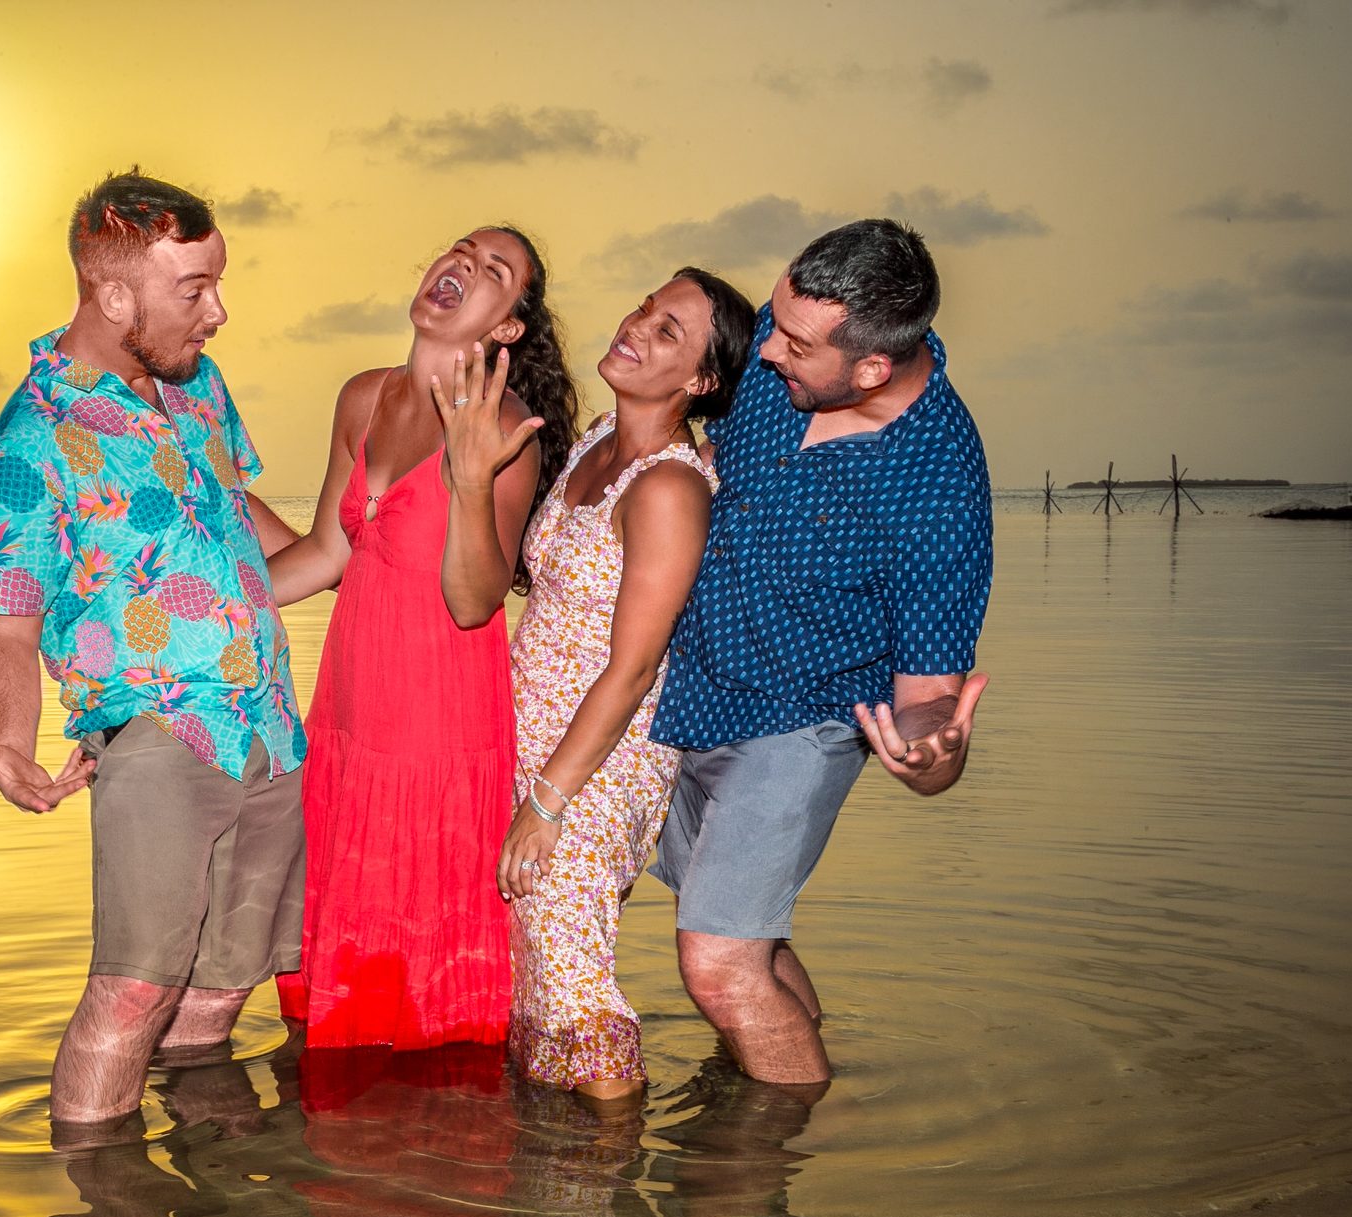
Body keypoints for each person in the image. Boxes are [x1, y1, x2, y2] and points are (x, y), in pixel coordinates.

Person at [0, 170, 306, 1125]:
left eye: (216, 283)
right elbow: (7, 622)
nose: (218, 312)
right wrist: (8, 742)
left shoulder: (199, 388)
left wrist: (360, 556)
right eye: (195, 290)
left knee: (223, 990)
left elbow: (235, 509)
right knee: (133, 992)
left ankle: (206, 1180)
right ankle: (99, 1187)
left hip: (270, 727)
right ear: (114, 297)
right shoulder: (25, 447)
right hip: (159, 741)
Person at [649, 219, 994, 1087]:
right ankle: (783, 1077)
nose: (768, 351)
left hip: (799, 725)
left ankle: (779, 1146)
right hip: (694, 690)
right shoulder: (791, 344)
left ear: (871, 368)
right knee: (746, 939)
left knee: (717, 959)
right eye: (776, 322)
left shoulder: (939, 487)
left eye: (795, 345)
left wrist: (931, 752)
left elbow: (927, 693)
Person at [436, 268, 753, 1103]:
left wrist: (548, 802)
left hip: (596, 767)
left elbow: (636, 666)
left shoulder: (669, 487)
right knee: (540, 974)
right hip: (533, 740)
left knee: (573, 983)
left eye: (668, 330)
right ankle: (557, 1163)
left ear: (701, 381)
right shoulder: (598, 440)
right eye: (647, 307)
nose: (637, 325)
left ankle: (615, 1162)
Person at [263, 227, 580, 1050]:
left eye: (493, 272)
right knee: (333, 978)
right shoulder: (363, 397)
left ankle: (433, 1124)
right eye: (460, 253)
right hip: (346, 719)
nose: (463, 267)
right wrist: (205, 604)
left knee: (413, 988)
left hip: (435, 731)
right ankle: (331, 1122)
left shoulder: (506, 431)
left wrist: (470, 480)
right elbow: (326, 553)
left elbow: (475, 602)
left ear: (506, 327)